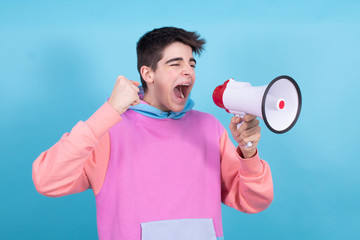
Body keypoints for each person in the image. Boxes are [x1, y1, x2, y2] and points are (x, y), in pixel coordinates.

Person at [32, 27, 273, 240]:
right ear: (148, 74)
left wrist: (249, 153)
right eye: (176, 63)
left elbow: (254, 201)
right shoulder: (108, 130)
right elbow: (47, 180)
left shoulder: (208, 127)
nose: (188, 71)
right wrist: (110, 111)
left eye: (191, 63)